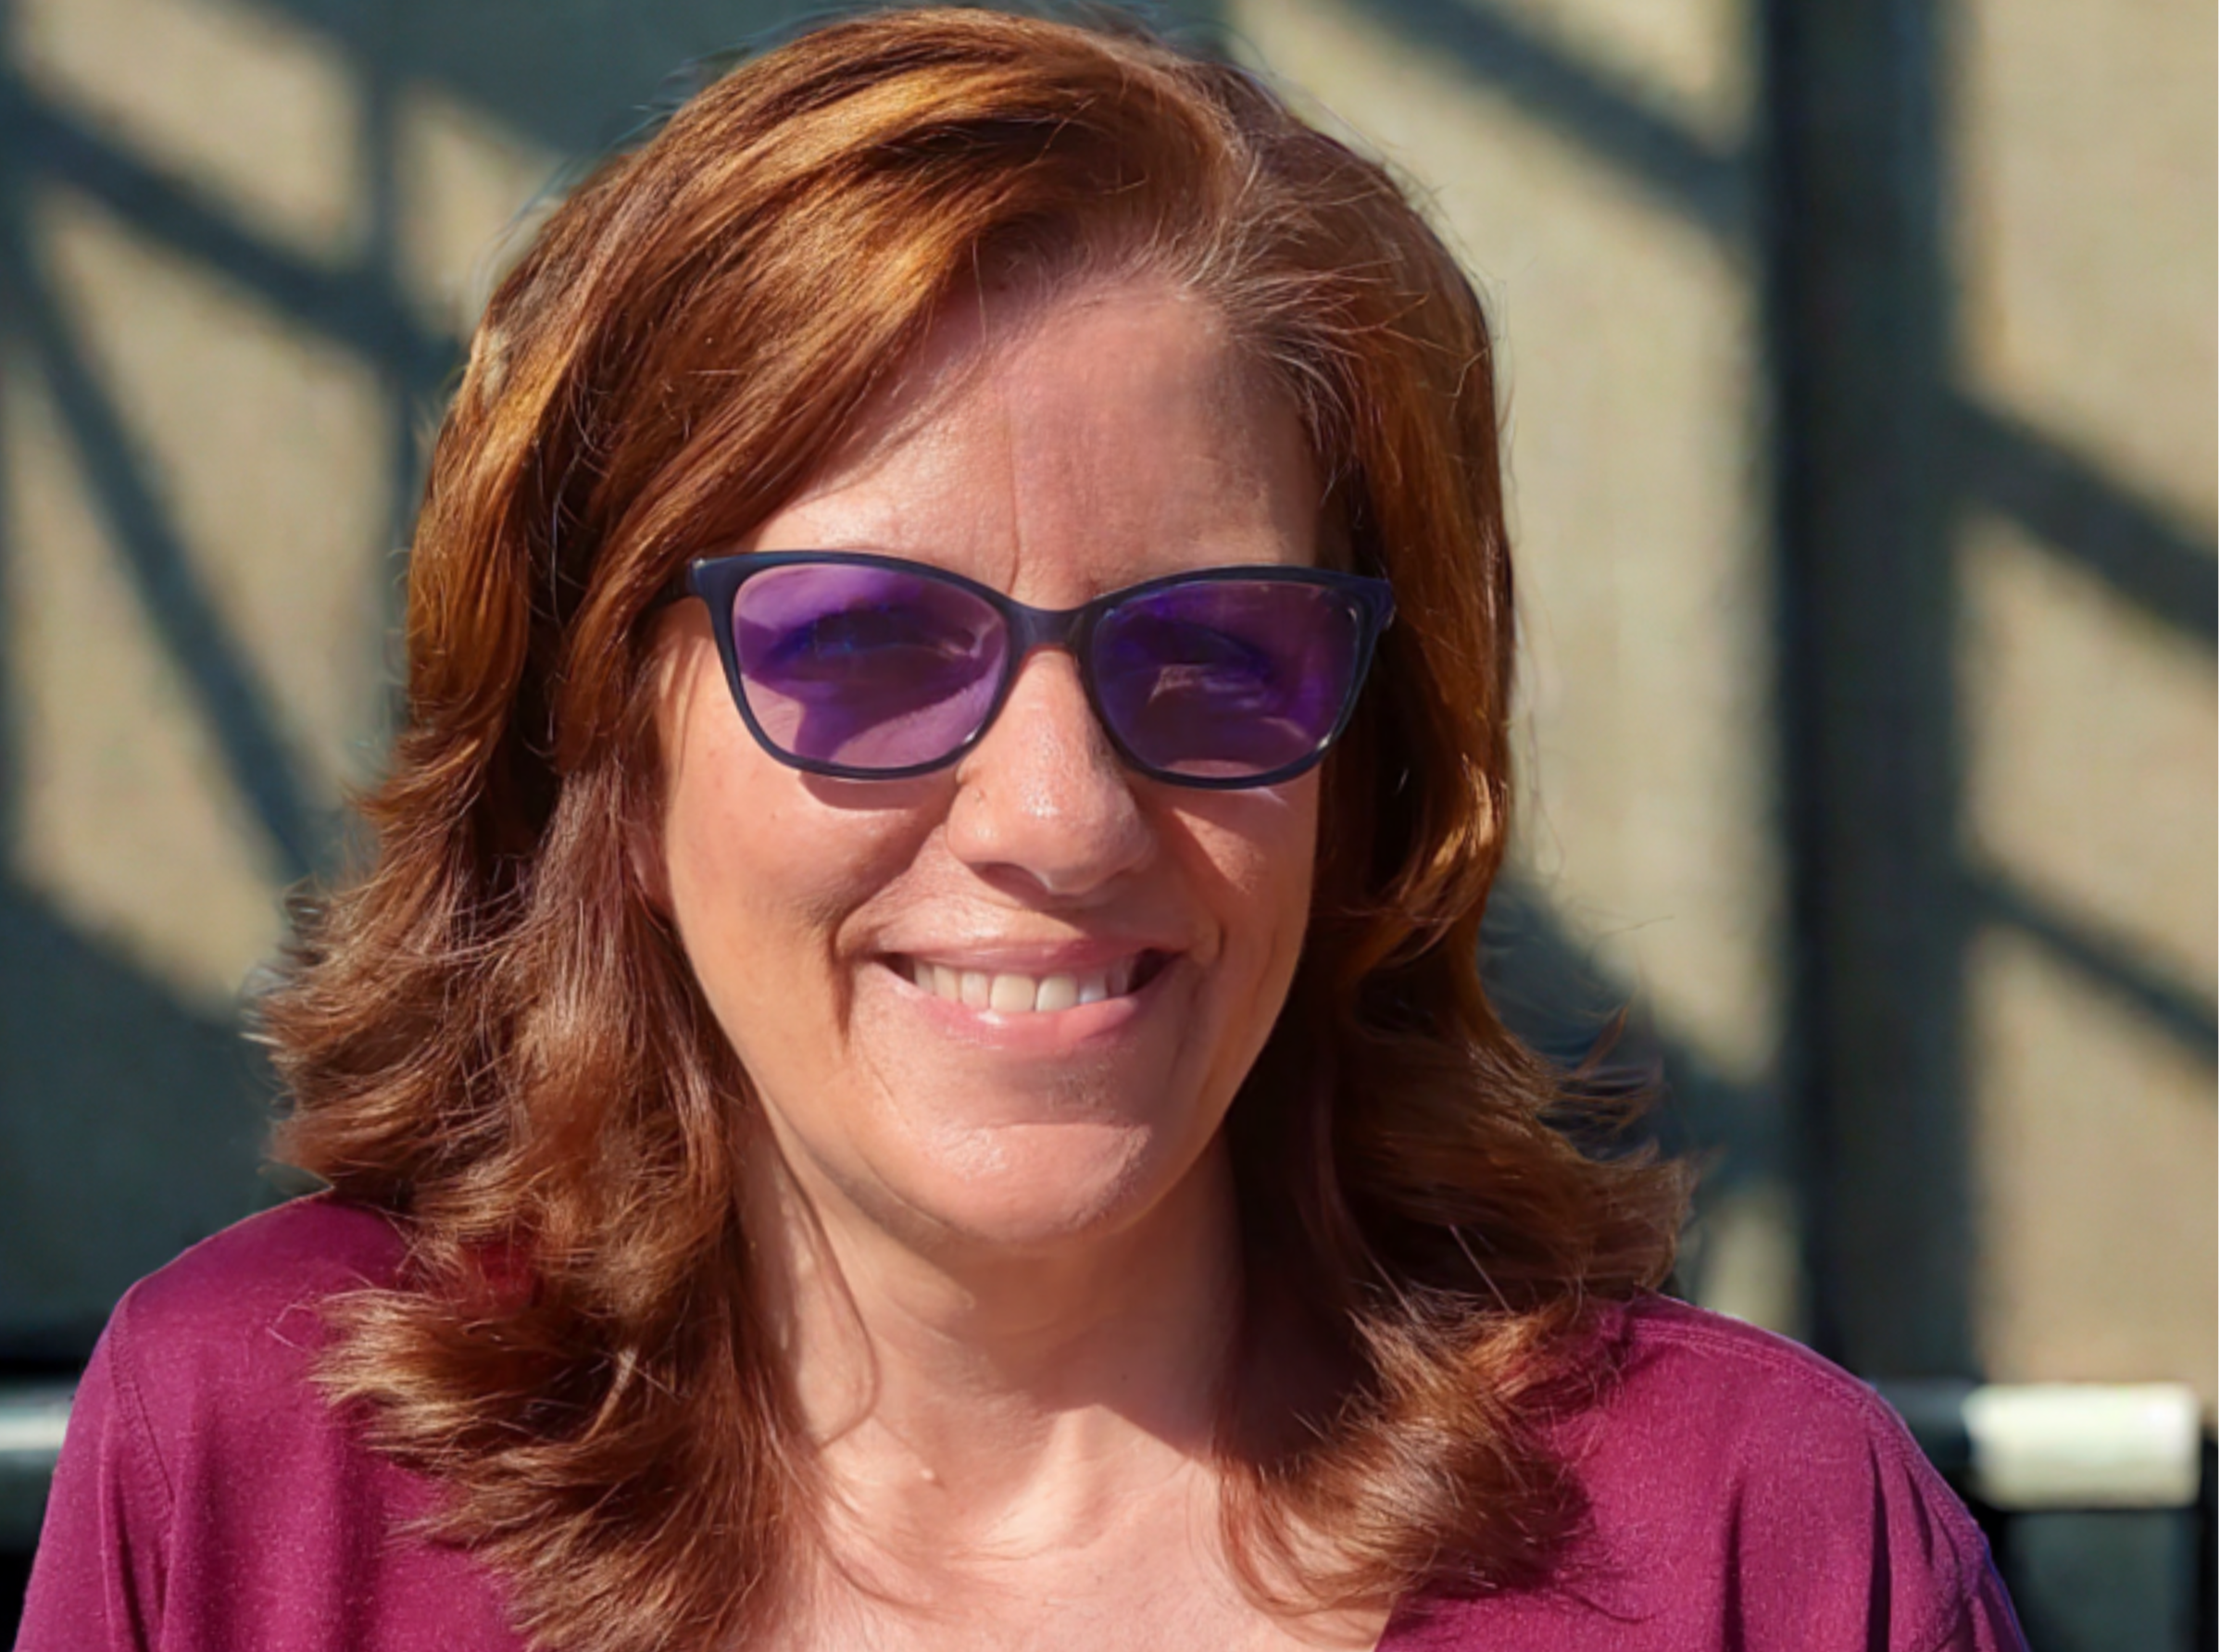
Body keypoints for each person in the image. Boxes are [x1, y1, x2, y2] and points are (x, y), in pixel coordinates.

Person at [19, 9, 2026, 1651]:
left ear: (1365, 778)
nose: (1061, 814)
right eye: (865, 645)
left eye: (1218, 650)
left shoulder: (1744, 1544)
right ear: (601, 759)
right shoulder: (264, 1471)